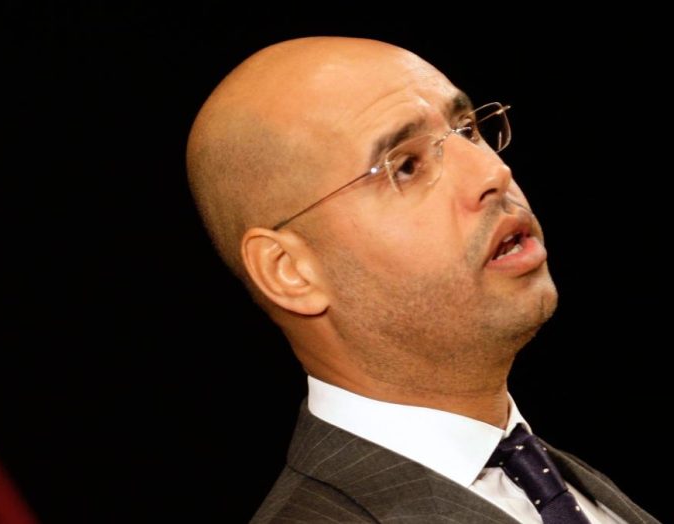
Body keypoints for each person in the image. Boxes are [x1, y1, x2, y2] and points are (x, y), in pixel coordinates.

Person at [185, 37, 658, 523]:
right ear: (290, 271)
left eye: (468, 130)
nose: (494, 172)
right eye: (407, 166)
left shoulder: (569, 487)